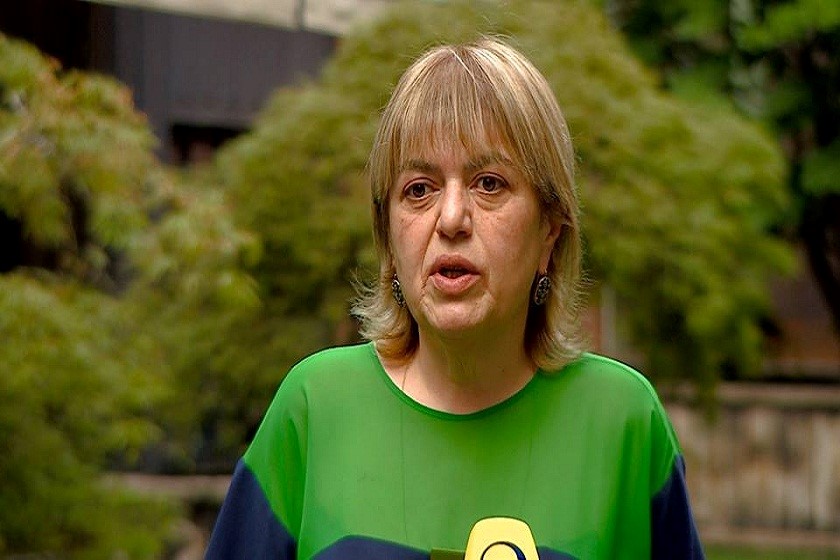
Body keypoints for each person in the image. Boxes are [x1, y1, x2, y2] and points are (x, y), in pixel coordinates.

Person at [205, 37, 705, 560]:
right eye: (418, 189)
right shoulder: (313, 409)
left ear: (549, 234)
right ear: (388, 240)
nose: (450, 219)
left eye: (489, 183)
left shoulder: (623, 424)